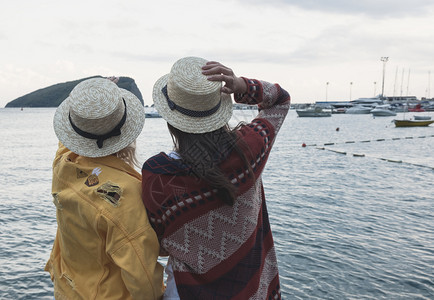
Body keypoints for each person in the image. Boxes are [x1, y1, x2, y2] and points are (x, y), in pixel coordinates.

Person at [141, 57, 291, 299]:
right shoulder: (250, 148)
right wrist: (241, 85)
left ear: (171, 120)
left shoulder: (157, 174)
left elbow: (159, 244)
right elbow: (280, 100)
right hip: (252, 290)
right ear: (219, 108)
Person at [45, 78, 164, 299]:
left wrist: (87, 106)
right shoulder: (125, 193)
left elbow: (64, 142)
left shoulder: (64, 164)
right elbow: (143, 278)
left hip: (66, 287)